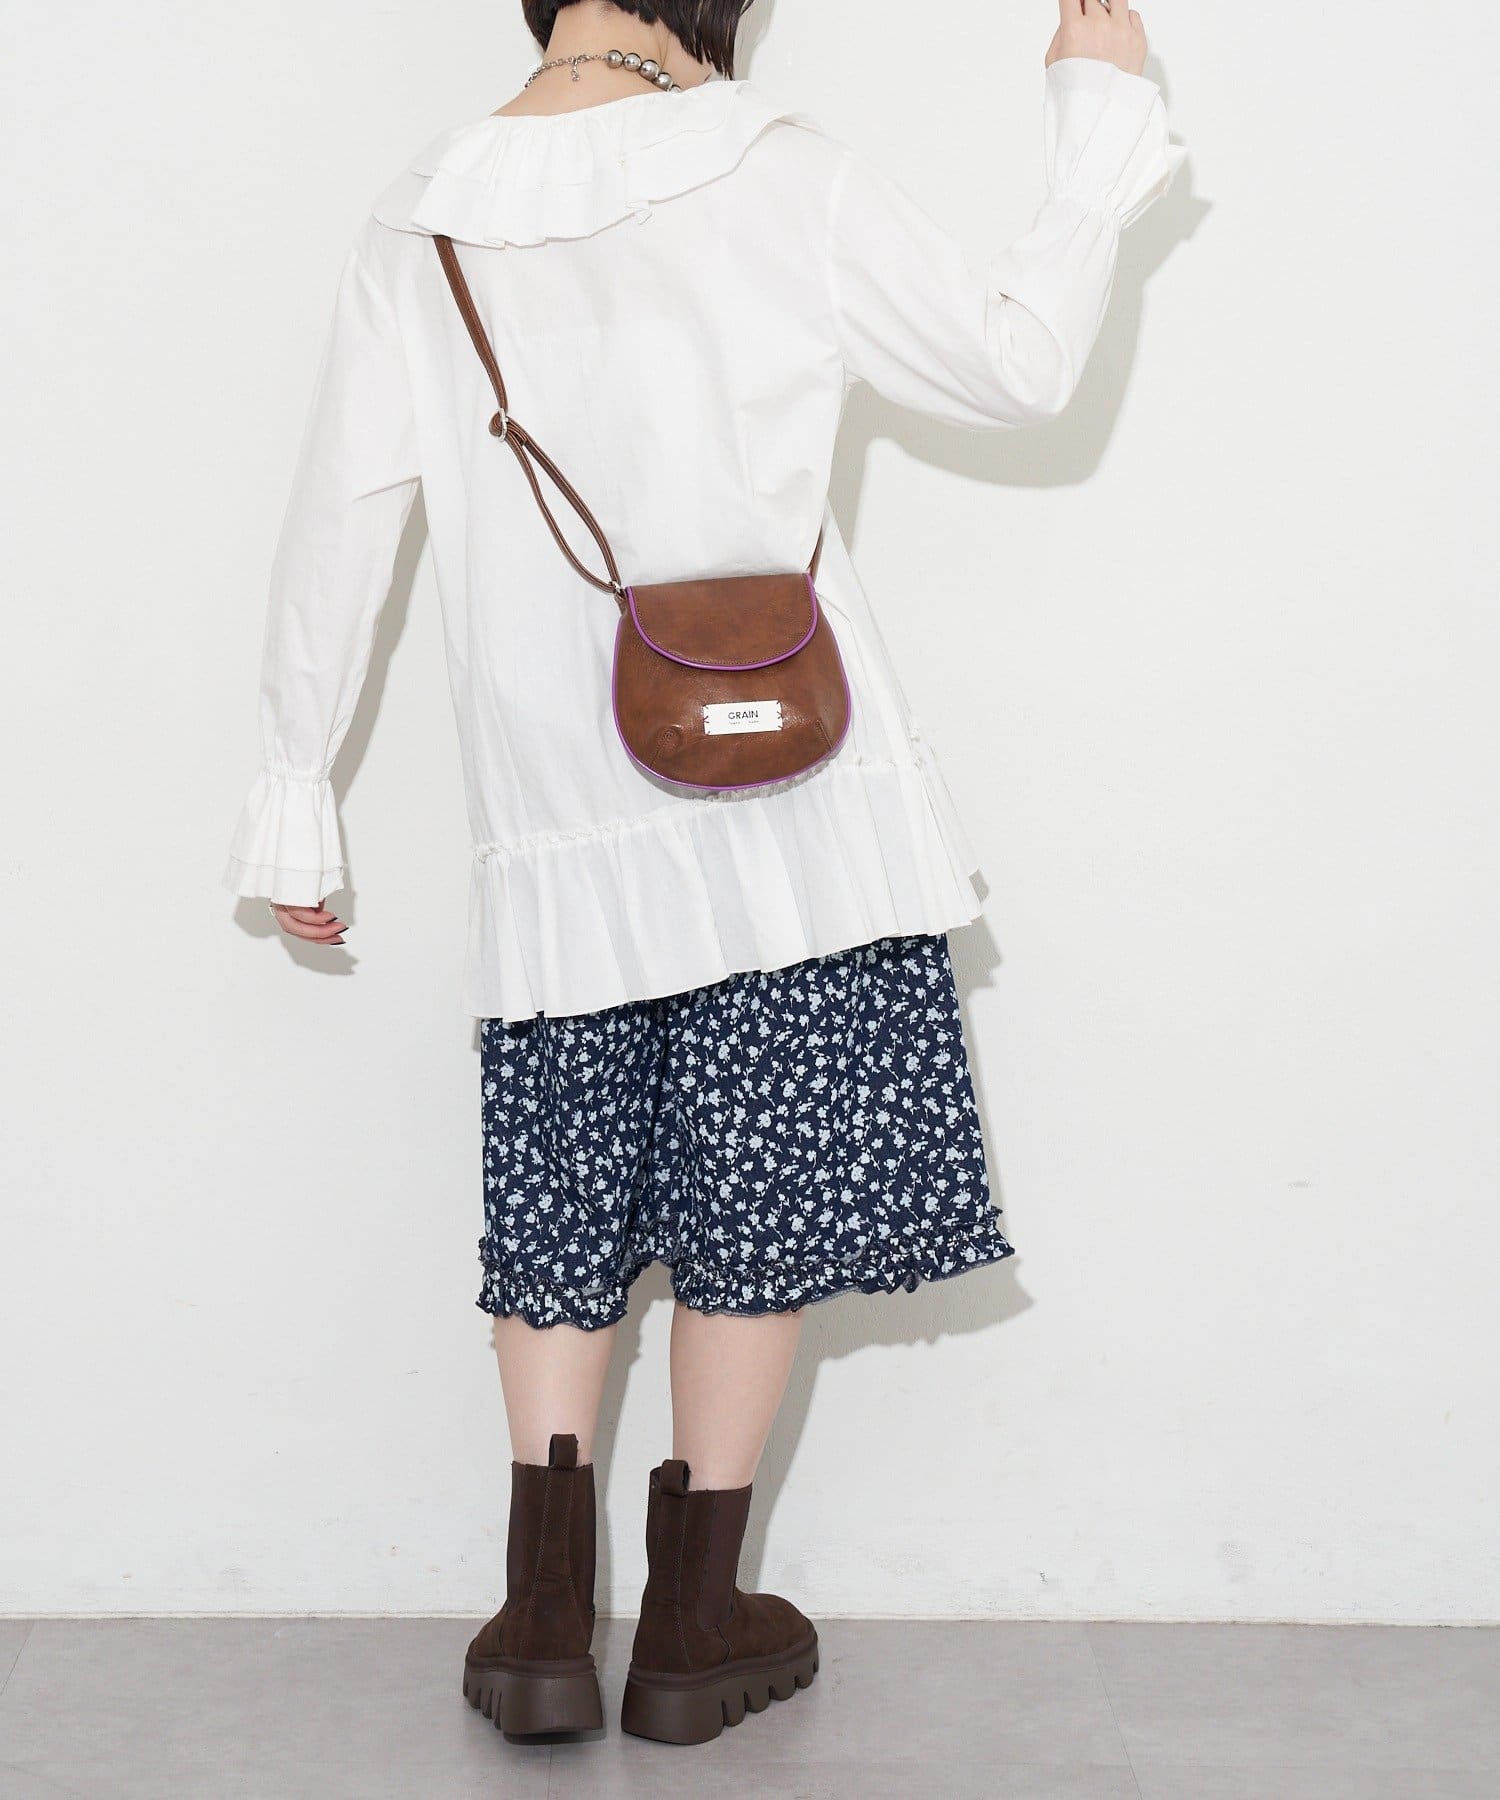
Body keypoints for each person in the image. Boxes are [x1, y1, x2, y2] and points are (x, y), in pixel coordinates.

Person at [224, 0, 1180, 1751]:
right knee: (762, 1188)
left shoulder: (423, 213)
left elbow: (336, 523)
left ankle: (539, 1619)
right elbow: (1017, 365)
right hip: (785, 794)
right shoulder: (773, 166)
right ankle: (691, 1622)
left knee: (563, 1193)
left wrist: (300, 789)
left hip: (554, 816)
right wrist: (1098, 133)